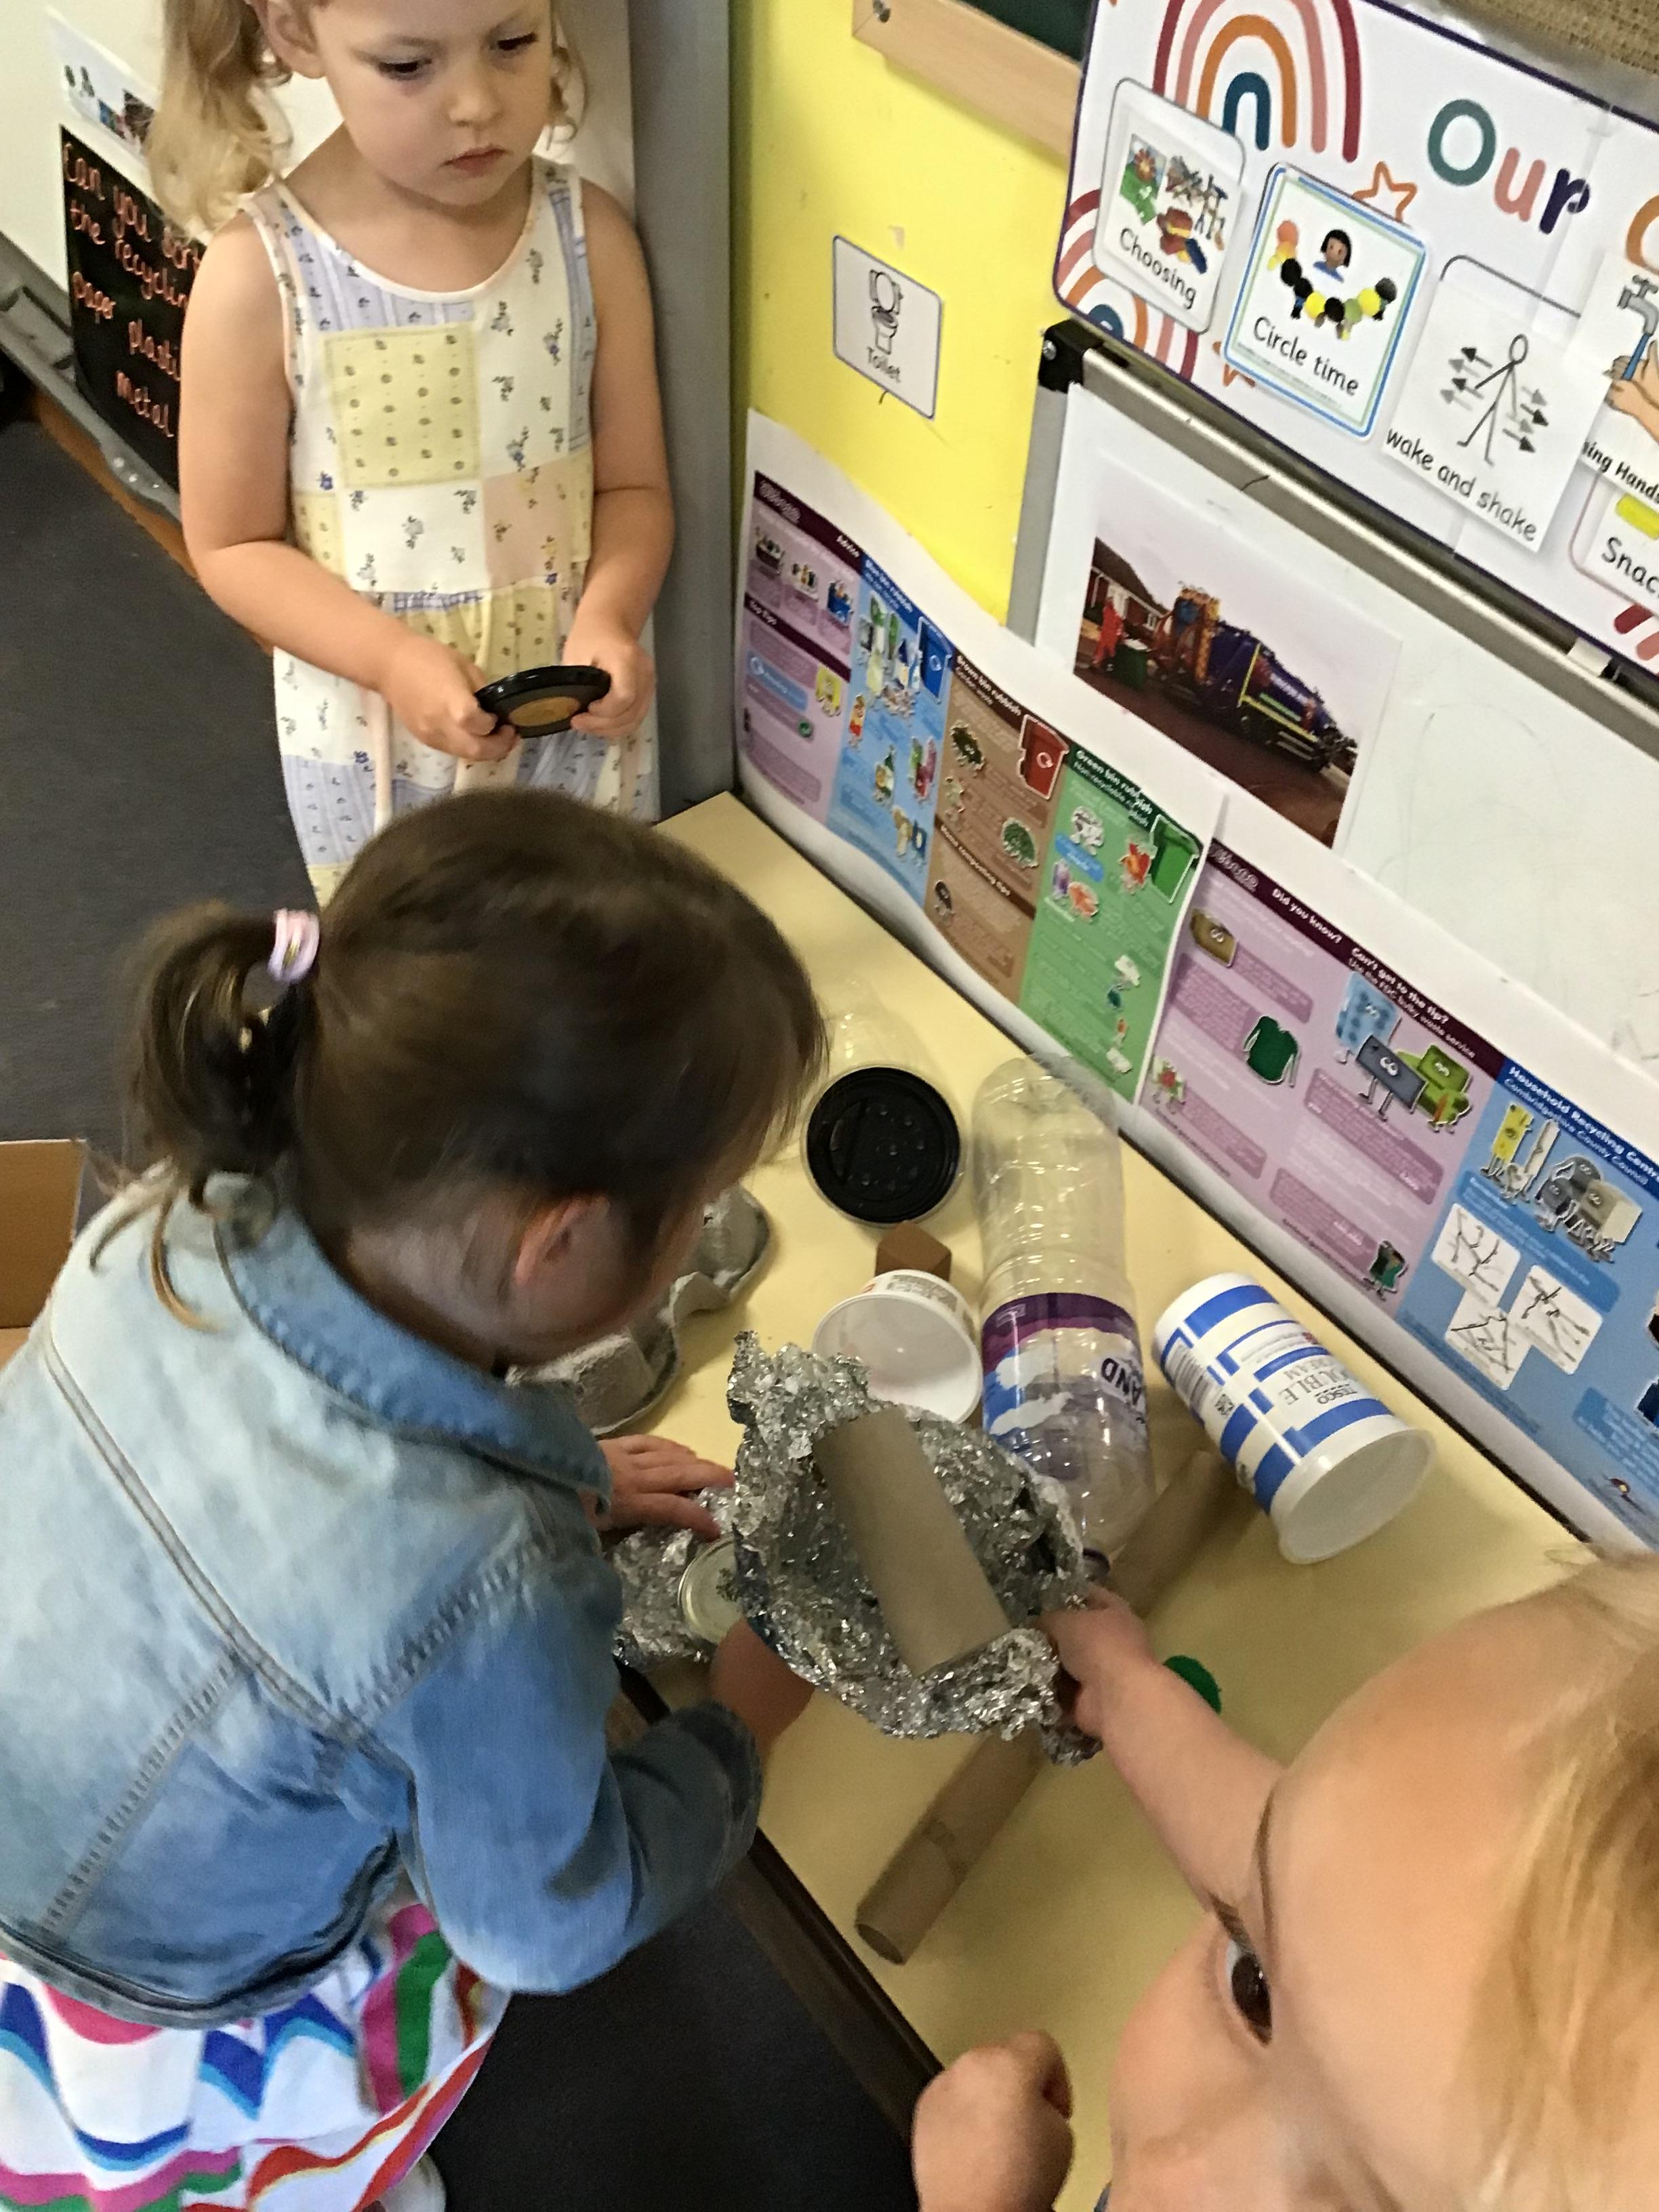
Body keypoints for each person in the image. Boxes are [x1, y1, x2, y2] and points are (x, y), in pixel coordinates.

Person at [0, 792, 822, 2212]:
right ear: (561, 1242)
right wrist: (736, 1730)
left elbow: (282, 1485)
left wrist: (558, 1480)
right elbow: (543, 1924)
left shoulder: (172, 1212)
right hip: (156, 1983)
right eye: (698, 1204)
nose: (701, 1229)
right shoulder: (482, 1577)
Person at [911, 1559, 1659, 2209]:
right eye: (1258, 1988)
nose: (1166, 2181)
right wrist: (1120, 1688)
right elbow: (1272, 1860)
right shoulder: (1378, 1964)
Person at [153, 1, 672, 901]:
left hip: (574, 731)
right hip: (381, 745)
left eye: (512, 43)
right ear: (296, 33)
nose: (477, 104)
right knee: (413, 969)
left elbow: (633, 487)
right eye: (407, 66)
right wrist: (393, 661)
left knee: (588, 949)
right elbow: (233, 545)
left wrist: (610, 619)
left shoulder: (588, 237)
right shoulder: (262, 276)